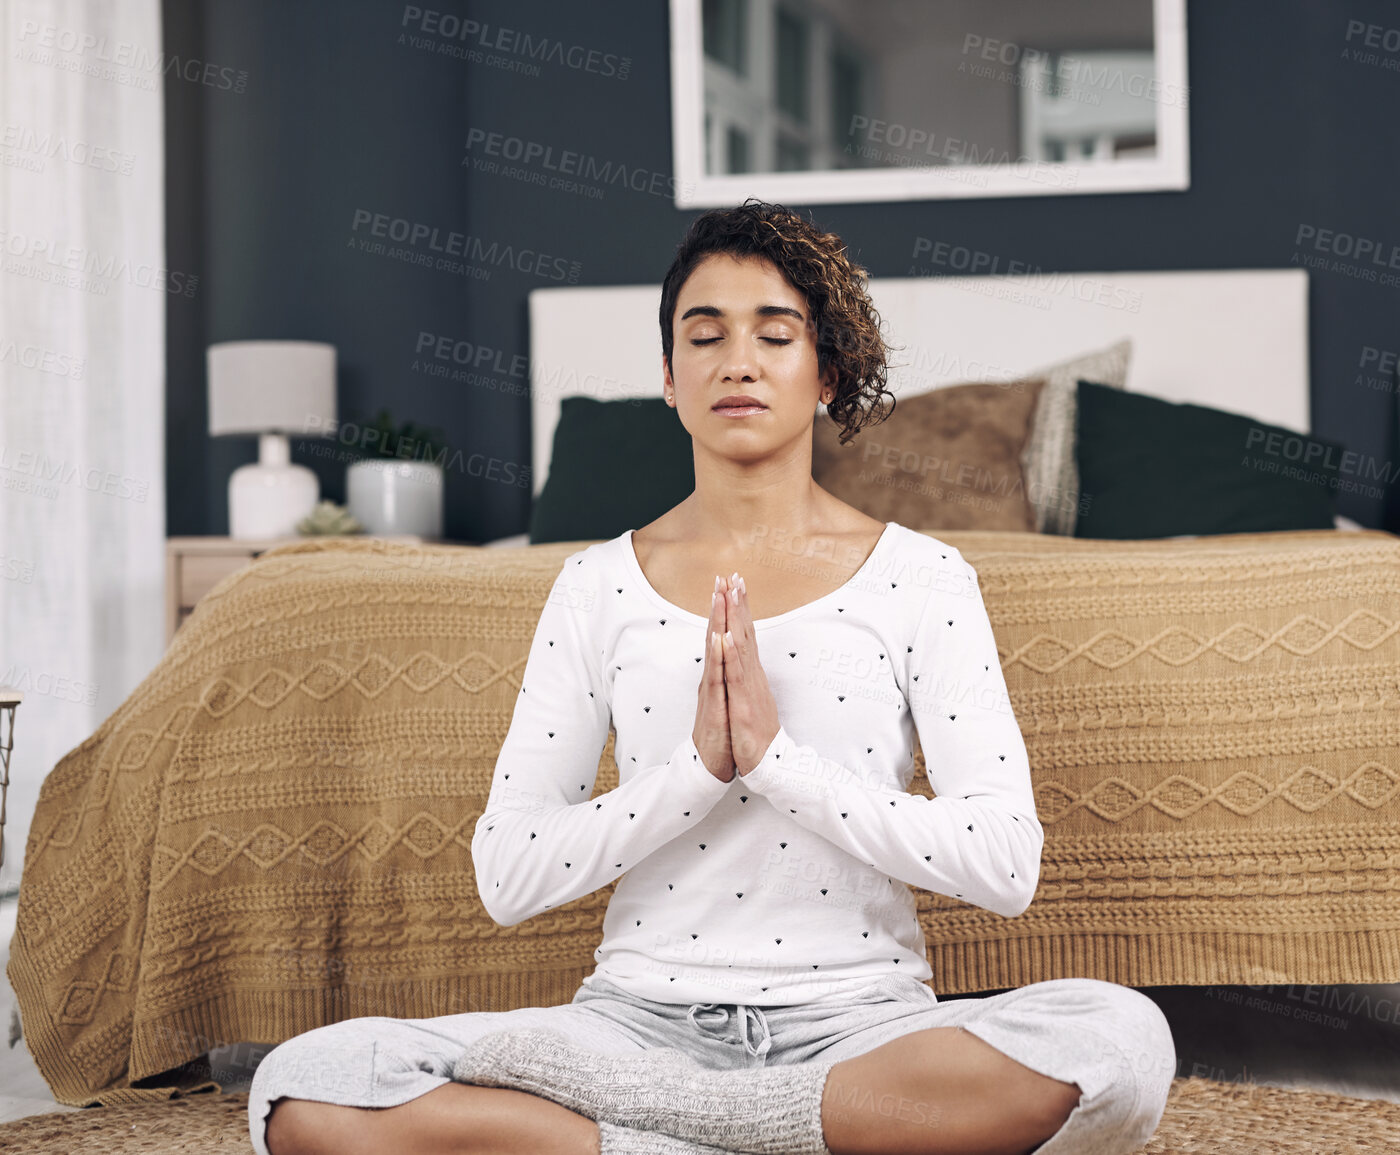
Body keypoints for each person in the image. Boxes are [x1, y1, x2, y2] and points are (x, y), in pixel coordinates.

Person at [249, 200, 1176, 1155]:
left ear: (826, 372)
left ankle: (681, 1139)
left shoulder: (923, 576)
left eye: (776, 335)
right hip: (629, 1029)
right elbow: (507, 874)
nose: (738, 361)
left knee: (1118, 1042)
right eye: (706, 336)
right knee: (302, 1088)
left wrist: (776, 766)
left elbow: (1005, 864)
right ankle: (779, 1140)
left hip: (860, 1035)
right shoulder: (592, 585)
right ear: (668, 377)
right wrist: (694, 774)